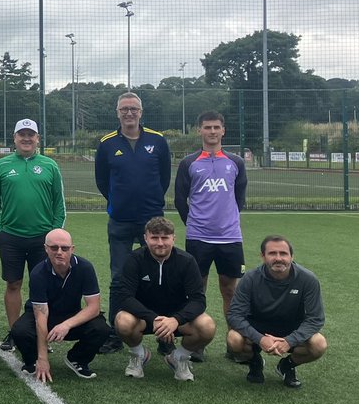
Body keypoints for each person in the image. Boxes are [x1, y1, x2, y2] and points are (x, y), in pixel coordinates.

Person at [94, 92, 171, 354]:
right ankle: (116, 333)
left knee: (162, 276)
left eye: (133, 109)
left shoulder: (158, 141)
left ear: (141, 112)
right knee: (118, 277)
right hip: (120, 220)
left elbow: (164, 178)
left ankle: (164, 334)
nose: (129, 113)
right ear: (117, 112)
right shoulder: (106, 144)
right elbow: (102, 181)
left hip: (153, 220)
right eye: (124, 109)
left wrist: (150, 203)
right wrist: (119, 201)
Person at [0, 118, 65, 352]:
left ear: (38, 138)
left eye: (31, 134)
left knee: (41, 287)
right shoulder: (2, 166)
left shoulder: (50, 165)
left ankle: (40, 333)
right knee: (14, 284)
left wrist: (54, 235)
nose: (27, 138)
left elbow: (58, 204)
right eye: (22, 134)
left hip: (43, 239)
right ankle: (16, 333)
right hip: (11, 236)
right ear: (15, 138)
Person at [174, 110, 247, 360]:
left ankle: (234, 344)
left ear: (223, 130)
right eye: (207, 127)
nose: (212, 132)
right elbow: (179, 199)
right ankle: (197, 344)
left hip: (230, 238)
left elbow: (240, 198)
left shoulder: (235, 162)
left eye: (216, 127)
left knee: (230, 291)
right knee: (197, 291)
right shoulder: (189, 163)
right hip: (198, 237)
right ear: (199, 131)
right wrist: (195, 223)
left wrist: (227, 220)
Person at [114, 217, 215, 382]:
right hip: (144, 319)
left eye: (165, 238)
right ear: (145, 238)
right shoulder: (135, 259)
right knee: (122, 321)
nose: (160, 243)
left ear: (173, 238)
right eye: (154, 237)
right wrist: (153, 318)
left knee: (207, 326)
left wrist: (176, 319)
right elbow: (124, 297)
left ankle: (179, 357)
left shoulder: (187, 261)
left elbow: (198, 300)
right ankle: (139, 354)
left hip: (177, 319)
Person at [9, 228, 110, 381]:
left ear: (72, 249)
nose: (59, 252)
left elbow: (94, 307)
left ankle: (77, 359)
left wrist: (66, 325)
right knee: (20, 331)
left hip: (70, 314)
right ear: (46, 249)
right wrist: (43, 358)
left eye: (65, 248)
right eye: (54, 248)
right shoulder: (38, 273)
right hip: (42, 316)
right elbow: (41, 316)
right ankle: (32, 360)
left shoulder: (85, 268)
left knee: (101, 328)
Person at [227, 235, 328, 388]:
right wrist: (260, 339)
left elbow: (316, 318)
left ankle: (287, 365)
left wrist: (290, 341)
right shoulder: (250, 279)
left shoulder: (308, 279)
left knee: (319, 344)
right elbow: (234, 315)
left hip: (291, 330)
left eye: (283, 253)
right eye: (272, 253)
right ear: (263, 256)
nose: (278, 258)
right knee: (233, 339)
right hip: (258, 329)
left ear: (291, 256)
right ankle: (255, 362)